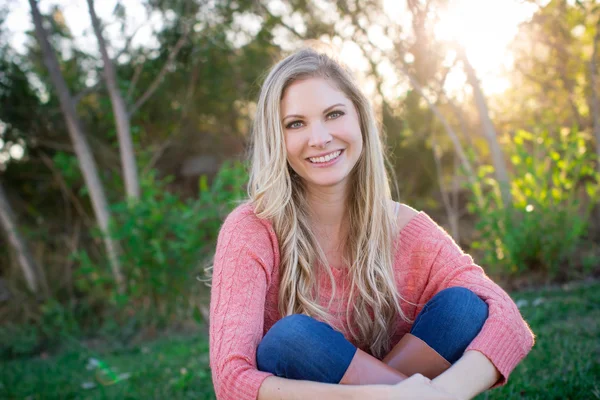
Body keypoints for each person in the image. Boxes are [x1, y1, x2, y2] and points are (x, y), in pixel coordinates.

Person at [208, 47, 534, 400]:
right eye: (296, 123)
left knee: (465, 307)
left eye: (333, 114)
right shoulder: (252, 229)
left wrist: (446, 393)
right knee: (293, 340)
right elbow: (230, 380)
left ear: (360, 119)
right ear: (277, 138)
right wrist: (387, 396)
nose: (319, 138)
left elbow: (509, 320)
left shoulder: (405, 227)